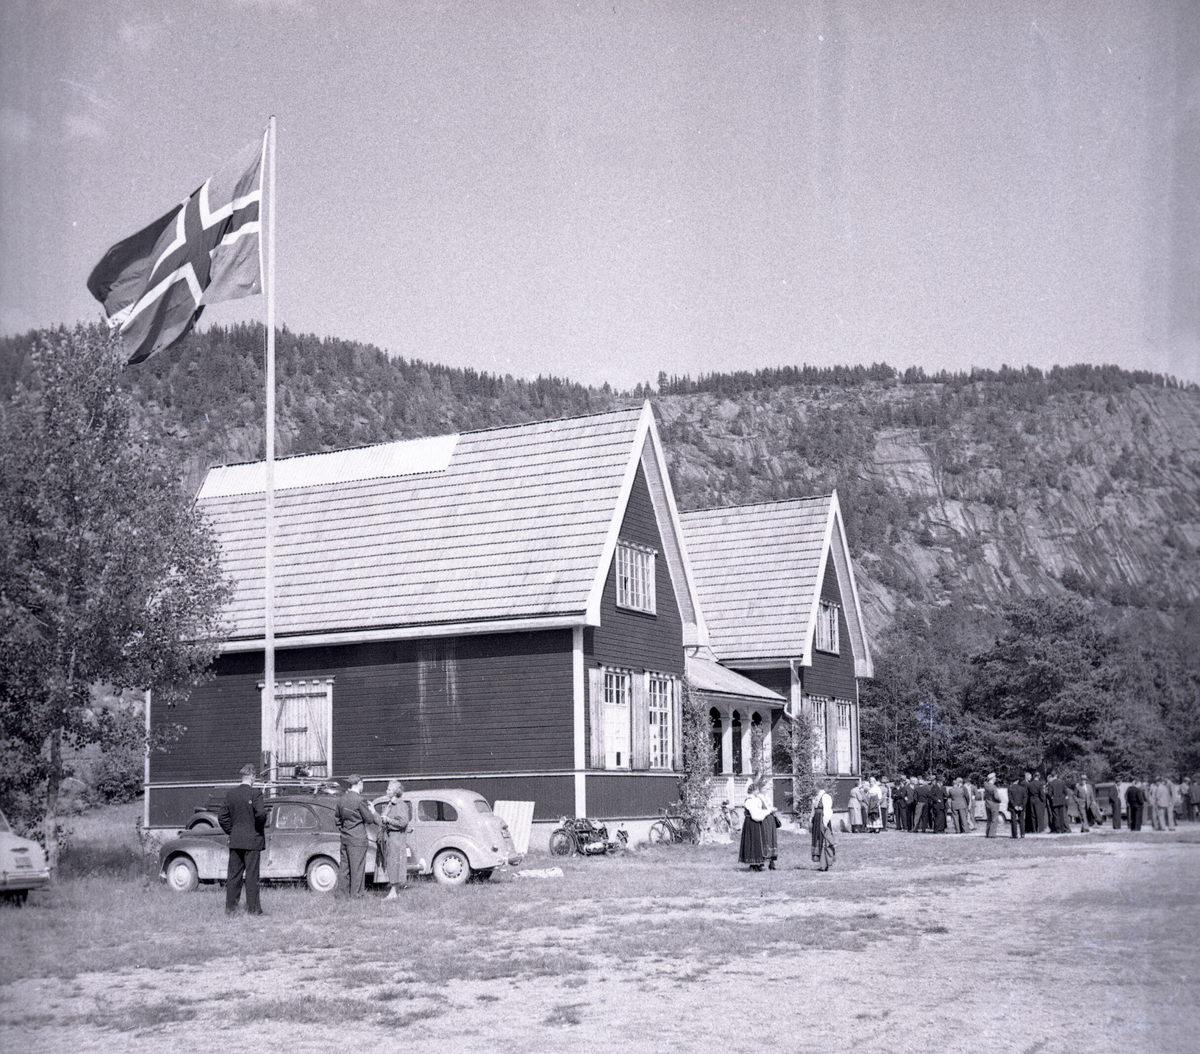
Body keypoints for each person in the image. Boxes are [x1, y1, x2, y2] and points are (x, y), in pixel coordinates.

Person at [218, 763, 267, 917]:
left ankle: (231, 909)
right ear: (252, 776)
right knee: (252, 876)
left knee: (233, 875)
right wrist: (257, 829)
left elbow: (222, 817)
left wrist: (232, 831)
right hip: (253, 841)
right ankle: (253, 909)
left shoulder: (231, 794)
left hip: (236, 840)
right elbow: (261, 815)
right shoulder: (256, 794)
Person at [336, 774, 379, 897]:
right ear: (359, 783)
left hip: (345, 837)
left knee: (344, 868)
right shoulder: (360, 800)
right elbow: (369, 819)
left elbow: (337, 820)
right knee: (357, 868)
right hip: (358, 838)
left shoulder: (341, 799)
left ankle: (342, 895)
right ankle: (357, 895)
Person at [378, 779, 411, 899]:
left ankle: (393, 892)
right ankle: (394, 890)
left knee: (394, 863)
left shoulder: (400, 805)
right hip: (391, 837)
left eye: (389, 789)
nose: (387, 791)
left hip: (396, 838)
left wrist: (388, 820)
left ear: (396, 791)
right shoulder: (390, 804)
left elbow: (403, 822)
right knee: (392, 863)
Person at [739, 780, 770, 871]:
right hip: (752, 823)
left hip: (753, 823)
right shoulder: (750, 801)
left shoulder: (754, 800)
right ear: (753, 790)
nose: (758, 792)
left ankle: (757, 863)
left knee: (757, 841)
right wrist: (766, 813)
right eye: (757, 790)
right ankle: (753, 864)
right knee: (753, 841)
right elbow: (755, 815)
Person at [811, 783, 836, 870]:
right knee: (818, 840)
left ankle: (825, 864)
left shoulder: (825, 797)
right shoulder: (817, 797)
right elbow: (814, 809)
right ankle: (821, 864)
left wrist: (825, 823)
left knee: (824, 840)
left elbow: (827, 810)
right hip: (817, 820)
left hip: (822, 819)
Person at [1007, 773, 1029, 839]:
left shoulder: (1010, 788)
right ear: (1017, 781)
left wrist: (1014, 806)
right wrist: (1022, 806)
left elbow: (1010, 798)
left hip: (1013, 806)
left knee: (1014, 820)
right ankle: (1022, 834)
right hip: (1021, 806)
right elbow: (1025, 798)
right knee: (1022, 820)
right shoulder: (1023, 789)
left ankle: (1014, 834)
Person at [983, 773, 1003, 838]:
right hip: (994, 804)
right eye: (994, 778)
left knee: (989, 819)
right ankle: (992, 834)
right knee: (994, 820)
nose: (995, 779)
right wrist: (1000, 800)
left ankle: (987, 833)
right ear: (992, 778)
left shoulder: (986, 785)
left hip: (987, 804)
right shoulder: (993, 787)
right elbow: (996, 797)